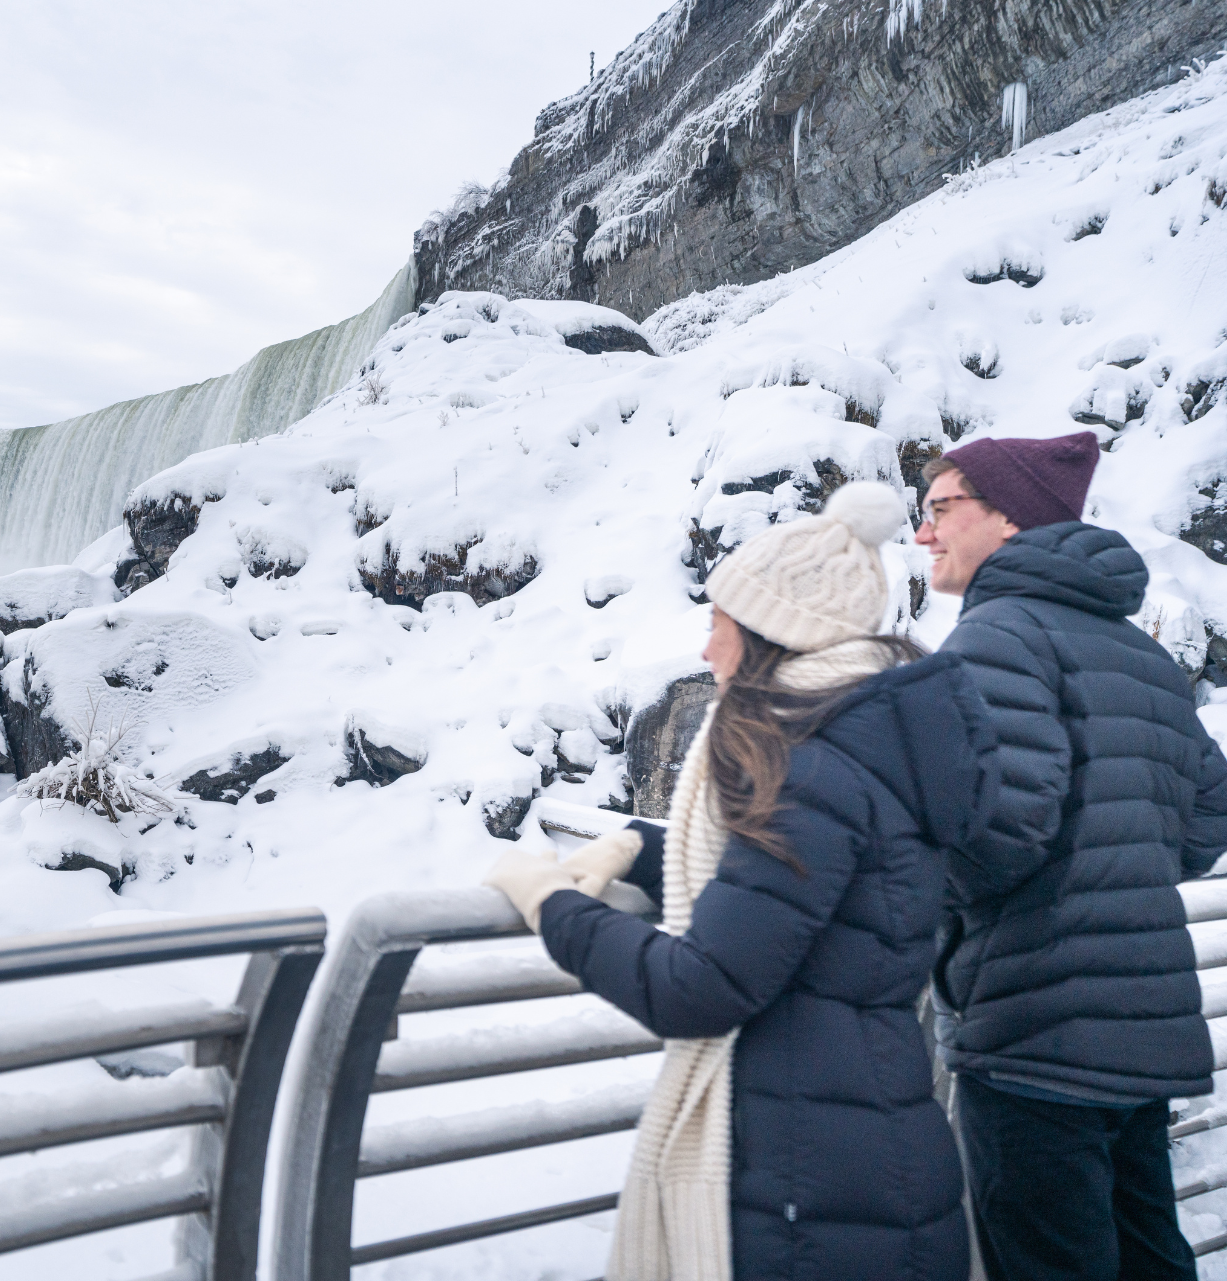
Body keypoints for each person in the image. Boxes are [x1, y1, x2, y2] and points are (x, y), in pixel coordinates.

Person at [486, 480, 996, 1281]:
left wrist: (549, 903)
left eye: (717, 624)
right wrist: (638, 846)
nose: (705, 650)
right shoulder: (866, 739)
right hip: (859, 1149)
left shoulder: (812, 764)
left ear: (771, 633)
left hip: (809, 1192)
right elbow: (817, 890)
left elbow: (700, 986)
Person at [914, 431, 1227, 1281]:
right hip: (1139, 1025)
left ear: (1008, 519)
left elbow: (997, 835)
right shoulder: (1144, 655)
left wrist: (909, 871)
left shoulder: (996, 637)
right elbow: (1204, 826)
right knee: (1151, 1257)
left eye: (940, 508)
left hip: (1033, 1033)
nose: (922, 533)